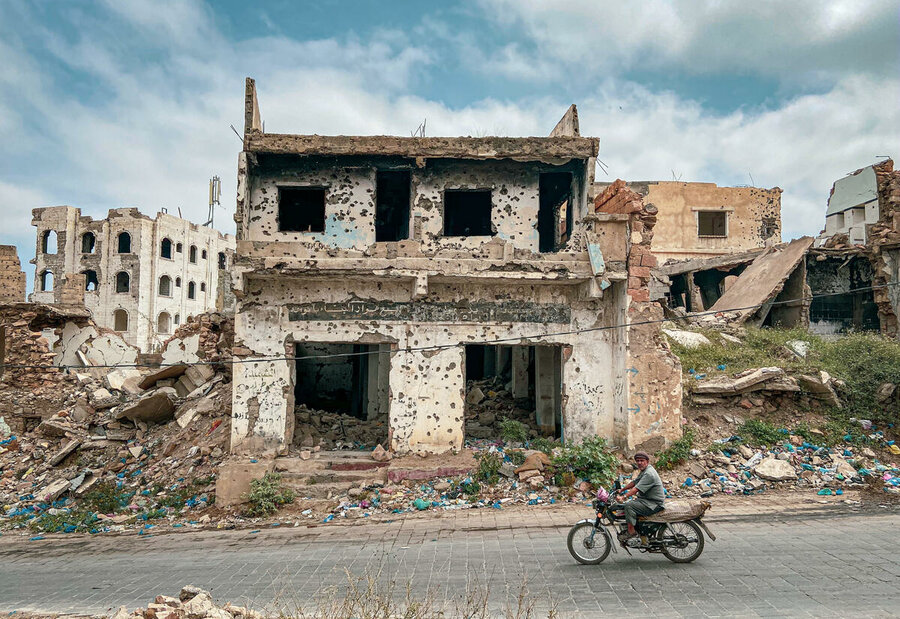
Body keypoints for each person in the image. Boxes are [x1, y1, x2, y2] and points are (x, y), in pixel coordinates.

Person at [615, 451, 665, 539]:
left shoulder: (649, 474)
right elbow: (634, 482)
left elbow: (636, 489)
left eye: (642, 460)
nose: (639, 463)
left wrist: (624, 497)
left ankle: (631, 532)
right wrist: (622, 489)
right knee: (629, 504)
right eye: (637, 461)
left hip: (653, 504)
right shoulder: (645, 470)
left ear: (647, 461)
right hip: (646, 501)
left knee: (629, 506)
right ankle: (639, 530)